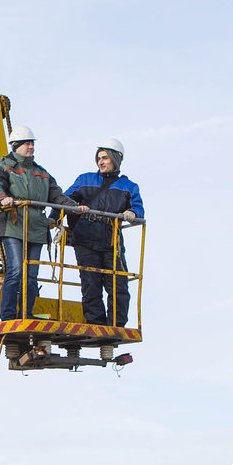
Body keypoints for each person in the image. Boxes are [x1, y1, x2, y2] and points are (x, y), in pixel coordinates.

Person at [0, 127, 87, 341]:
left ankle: (26, 314)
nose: (31, 147)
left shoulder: (41, 172)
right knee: (15, 270)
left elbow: (56, 195)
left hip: (36, 227)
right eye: (26, 143)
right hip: (13, 225)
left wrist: (74, 207)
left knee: (31, 275)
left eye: (32, 143)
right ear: (15, 146)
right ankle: (9, 316)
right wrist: (2, 198)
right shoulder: (3, 168)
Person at [65, 139, 144, 330]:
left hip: (111, 240)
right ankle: (96, 324)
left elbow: (138, 209)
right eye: (99, 158)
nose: (101, 162)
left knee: (118, 285)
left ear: (116, 159)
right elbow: (65, 199)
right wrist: (53, 218)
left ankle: (116, 326)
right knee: (91, 283)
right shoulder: (84, 179)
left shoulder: (129, 186)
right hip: (85, 237)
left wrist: (132, 214)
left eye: (105, 157)